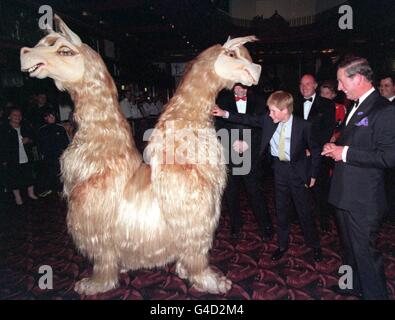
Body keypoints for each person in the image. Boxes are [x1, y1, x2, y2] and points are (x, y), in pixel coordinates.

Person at [213, 91, 323, 262]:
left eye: (272, 111)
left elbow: (316, 150)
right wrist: (223, 113)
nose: (269, 114)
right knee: (281, 211)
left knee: (304, 211)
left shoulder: (303, 125)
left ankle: (314, 245)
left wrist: (313, 174)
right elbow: (246, 119)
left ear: (285, 110)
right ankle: (282, 245)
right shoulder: (268, 120)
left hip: (297, 172)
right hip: (278, 170)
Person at [322, 57, 395, 299]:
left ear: (358, 79)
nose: (339, 88)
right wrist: (336, 147)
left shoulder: (384, 109)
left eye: (342, 82)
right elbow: (356, 142)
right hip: (345, 194)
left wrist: (345, 152)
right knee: (349, 250)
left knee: (366, 256)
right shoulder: (355, 104)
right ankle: (349, 285)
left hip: (363, 201)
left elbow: (389, 157)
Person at [215, 84, 273, 240]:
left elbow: (263, 128)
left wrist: (247, 143)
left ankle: (265, 225)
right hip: (229, 152)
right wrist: (232, 143)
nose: (240, 90)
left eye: (243, 88)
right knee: (231, 192)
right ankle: (236, 224)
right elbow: (218, 127)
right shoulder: (222, 102)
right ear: (232, 87)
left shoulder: (260, 102)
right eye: (237, 87)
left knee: (255, 192)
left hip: (251, 155)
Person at [295, 74, 336, 232]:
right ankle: (300, 217)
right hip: (298, 154)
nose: (304, 87)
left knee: (320, 190)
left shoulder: (326, 104)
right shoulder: (293, 103)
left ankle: (324, 219)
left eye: (308, 84)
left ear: (315, 85)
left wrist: (312, 149)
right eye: (301, 84)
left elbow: (327, 130)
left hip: (318, 154)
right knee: (298, 187)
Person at [0, 107, 37, 205]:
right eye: (15, 115)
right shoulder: (4, 129)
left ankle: (31, 194)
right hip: (12, 158)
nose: (18, 117)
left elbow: (34, 140)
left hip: (26, 156)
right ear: (9, 116)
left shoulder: (26, 127)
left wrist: (28, 140)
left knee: (29, 175)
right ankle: (18, 197)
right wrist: (4, 159)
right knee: (14, 178)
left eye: (19, 115)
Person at [37, 109, 70, 196]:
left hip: (59, 154)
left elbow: (65, 142)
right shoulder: (42, 130)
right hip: (48, 155)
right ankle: (50, 188)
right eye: (48, 116)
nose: (51, 118)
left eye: (52, 116)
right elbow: (40, 145)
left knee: (60, 173)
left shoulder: (60, 128)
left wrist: (65, 153)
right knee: (49, 173)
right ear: (45, 118)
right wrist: (42, 154)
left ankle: (60, 190)